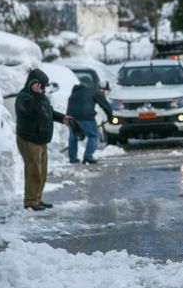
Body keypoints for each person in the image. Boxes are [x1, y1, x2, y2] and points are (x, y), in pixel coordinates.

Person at [16, 69, 73, 211]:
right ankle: (30, 201)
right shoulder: (24, 97)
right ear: (34, 84)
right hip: (29, 139)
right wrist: (36, 95)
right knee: (33, 171)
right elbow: (33, 112)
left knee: (41, 172)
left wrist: (62, 118)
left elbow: (48, 111)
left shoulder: (40, 97)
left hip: (41, 139)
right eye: (42, 85)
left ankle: (38, 199)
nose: (44, 88)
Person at [66, 82, 113, 164]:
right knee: (93, 135)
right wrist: (110, 115)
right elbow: (104, 103)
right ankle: (88, 156)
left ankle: (72, 158)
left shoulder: (73, 94)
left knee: (73, 137)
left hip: (71, 118)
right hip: (86, 117)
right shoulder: (92, 91)